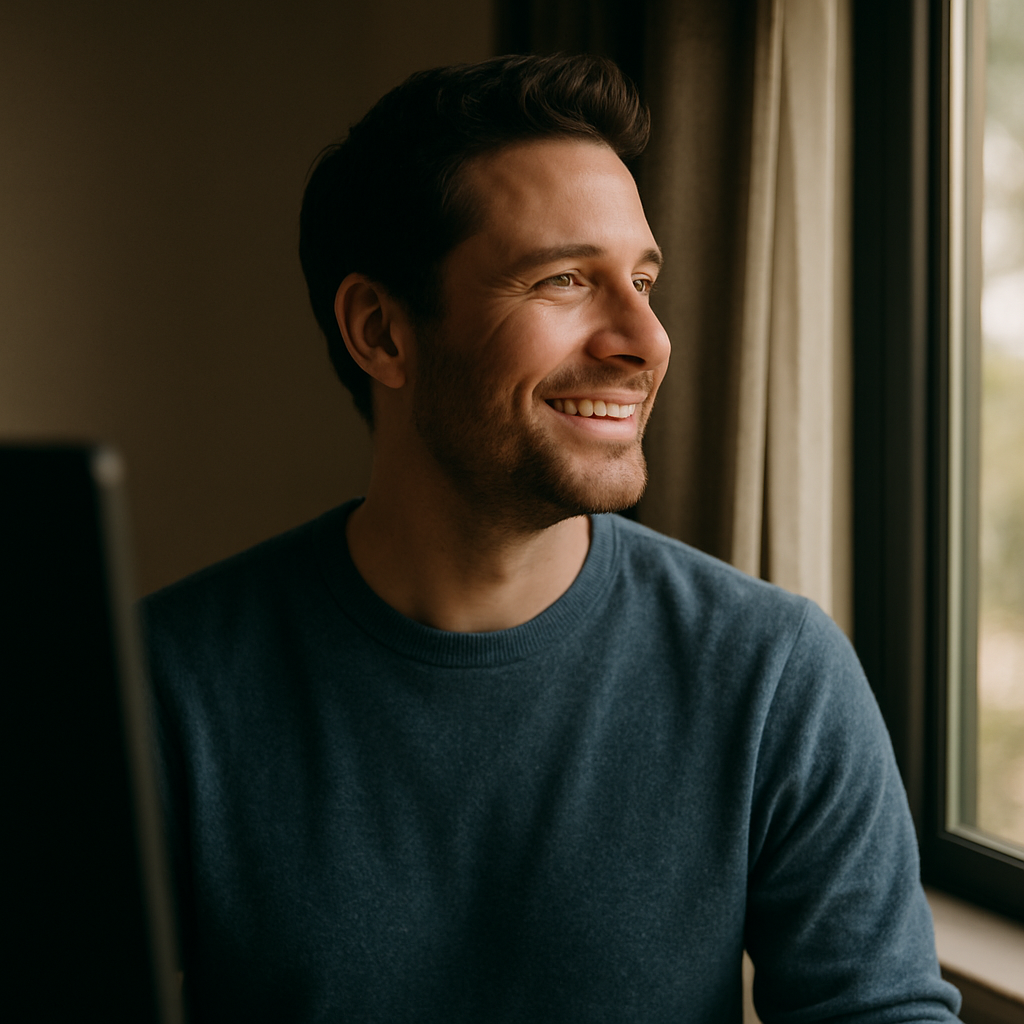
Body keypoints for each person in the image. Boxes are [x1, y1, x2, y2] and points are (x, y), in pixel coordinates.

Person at [142, 54, 961, 1022]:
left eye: (643, 281)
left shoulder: (774, 671)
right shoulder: (162, 685)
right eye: (564, 279)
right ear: (381, 332)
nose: (646, 340)